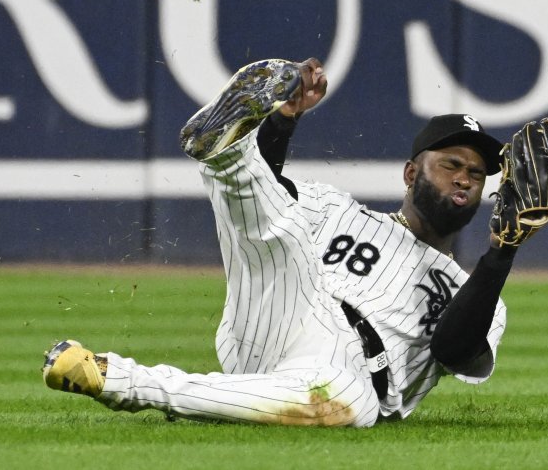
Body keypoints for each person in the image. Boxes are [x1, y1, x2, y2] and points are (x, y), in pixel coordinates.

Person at [42, 57, 519, 427]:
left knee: (345, 404)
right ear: (412, 173)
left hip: (350, 370)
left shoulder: (476, 294)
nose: (464, 179)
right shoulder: (337, 209)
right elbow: (270, 202)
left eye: (476, 174)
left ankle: (122, 379)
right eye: (451, 165)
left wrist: (503, 250)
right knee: (280, 228)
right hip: (279, 308)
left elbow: (455, 352)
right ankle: (228, 154)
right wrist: (282, 122)